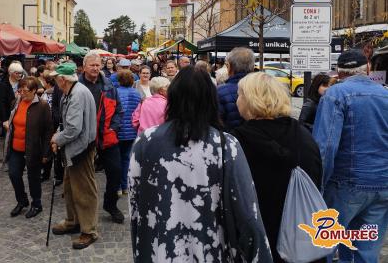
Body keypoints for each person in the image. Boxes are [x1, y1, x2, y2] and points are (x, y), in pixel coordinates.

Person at [128, 66, 271, 262]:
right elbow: (247, 212)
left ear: (173, 97)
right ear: (210, 100)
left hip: (159, 250)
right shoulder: (226, 145)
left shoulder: (145, 141)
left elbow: (135, 205)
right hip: (211, 249)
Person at [229, 72, 322, 262]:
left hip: (259, 238)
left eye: (239, 95)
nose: (236, 100)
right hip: (298, 236)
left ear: (250, 100)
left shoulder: (237, 141)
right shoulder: (303, 135)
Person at [313, 50, 388, 262]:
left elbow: (325, 147)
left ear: (339, 72)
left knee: (326, 246)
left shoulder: (335, 95)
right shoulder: (385, 94)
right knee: (367, 251)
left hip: (345, 184)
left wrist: (319, 185)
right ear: (368, 69)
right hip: (381, 184)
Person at [50, 62, 99, 250]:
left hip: (81, 149)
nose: (55, 81)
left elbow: (73, 129)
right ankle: (73, 221)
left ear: (63, 79)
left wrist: (57, 139)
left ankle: (89, 230)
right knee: (70, 188)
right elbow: (65, 123)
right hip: (73, 148)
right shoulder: (69, 92)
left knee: (85, 190)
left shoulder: (77, 94)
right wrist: (58, 136)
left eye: (56, 78)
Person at [79, 52, 125, 224]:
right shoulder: (77, 86)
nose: (96, 68)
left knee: (116, 172)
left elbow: (119, 110)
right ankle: (83, 212)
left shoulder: (108, 85)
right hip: (84, 139)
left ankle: (110, 204)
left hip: (107, 137)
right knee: (84, 177)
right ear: (84, 67)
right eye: (92, 65)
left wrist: (113, 128)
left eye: (98, 65)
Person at [3, 77, 53, 219]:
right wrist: (8, 124)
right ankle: (22, 200)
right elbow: (13, 121)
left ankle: (36, 204)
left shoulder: (42, 106)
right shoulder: (17, 102)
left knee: (34, 178)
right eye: (20, 90)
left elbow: (49, 130)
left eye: (25, 91)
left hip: (33, 149)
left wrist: (46, 152)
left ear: (34, 91)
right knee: (13, 174)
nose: (22, 93)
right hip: (15, 148)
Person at [116, 70, 141, 195]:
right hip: (131, 131)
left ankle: (118, 187)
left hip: (118, 131)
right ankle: (125, 186)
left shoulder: (115, 92)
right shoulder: (136, 94)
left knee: (117, 159)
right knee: (126, 159)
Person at [217, 47, 255, 130]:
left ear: (229, 66)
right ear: (252, 67)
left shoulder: (219, 92)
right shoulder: (265, 89)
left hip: (229, 140)